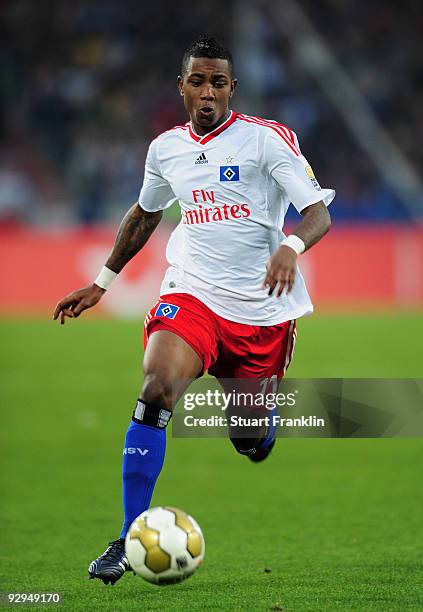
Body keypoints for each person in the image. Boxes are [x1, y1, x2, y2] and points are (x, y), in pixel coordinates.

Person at [53, 35, 334, 585]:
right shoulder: (165, 149)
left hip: (260, 310)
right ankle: (130, 536)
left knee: (248, 437)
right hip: (192, 293)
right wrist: (102, 282)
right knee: (155, 387)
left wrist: (290, 247)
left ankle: (261, 432)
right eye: (198, 81)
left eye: (219, 82)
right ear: (182, 86)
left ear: (232, 88)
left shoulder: (266, 141)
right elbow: (144, 214)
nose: (208, 91)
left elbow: (317, 213)